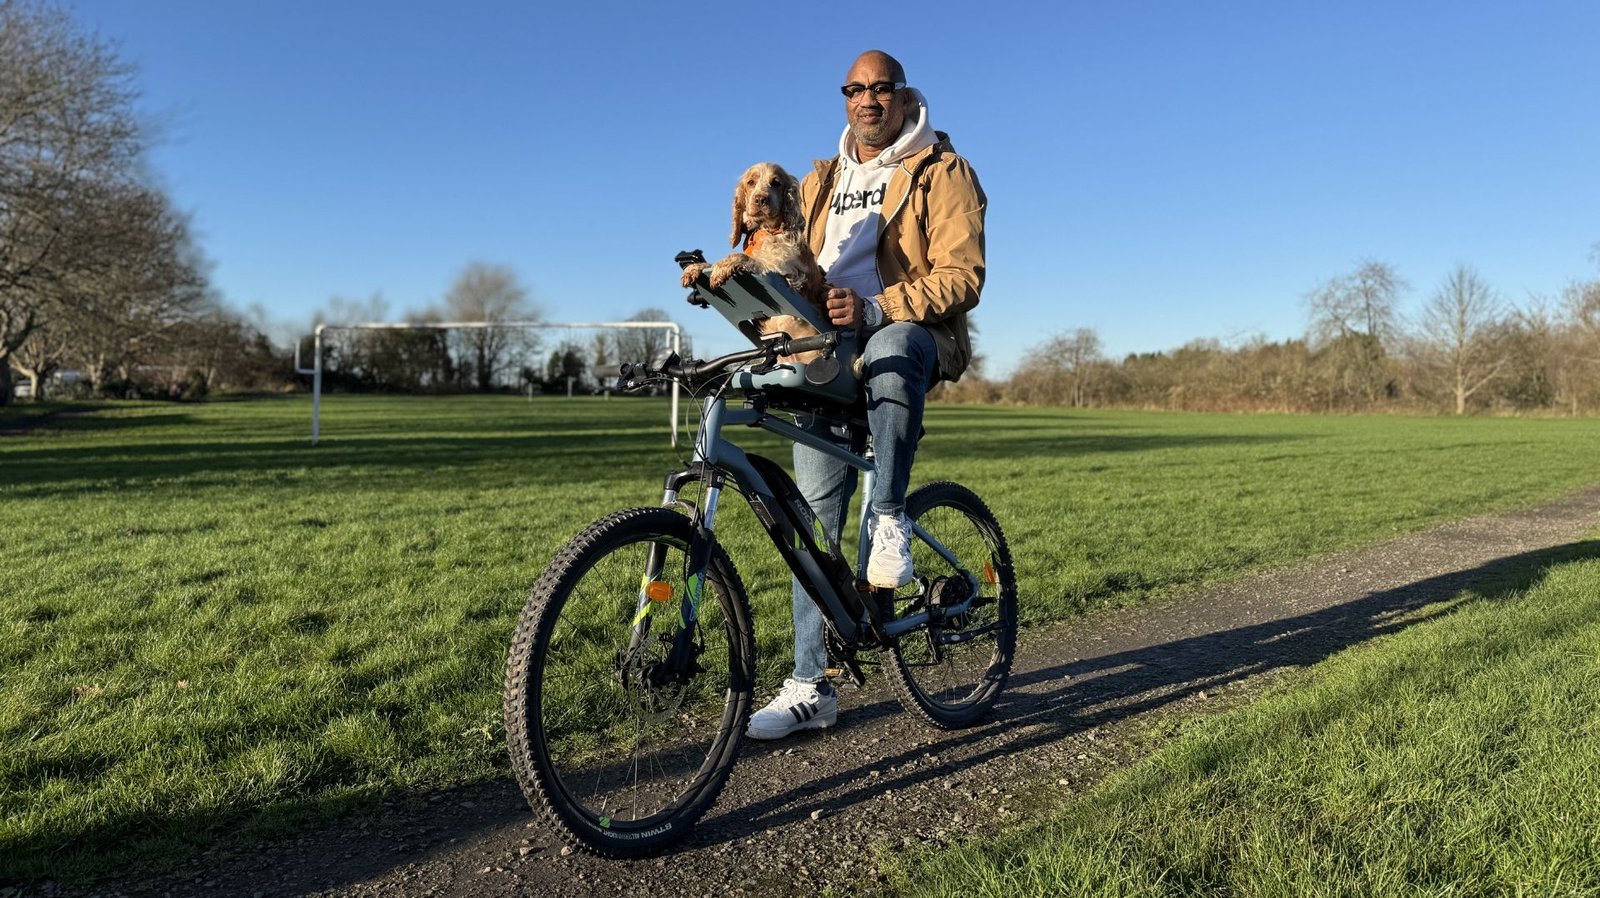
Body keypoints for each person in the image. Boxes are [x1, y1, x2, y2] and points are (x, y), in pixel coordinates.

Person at [746, 50, 987, 740]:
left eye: (881, 88)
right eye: (855, 90)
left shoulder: (943, 169)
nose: (868, 100)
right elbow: (790, 257)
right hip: (825, 347)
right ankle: (809, 685)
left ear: (904, 96)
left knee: (892, 342)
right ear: (844, 98)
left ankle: (889, 521)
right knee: (810, 524)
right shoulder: (820, 177)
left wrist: (879, 307)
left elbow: (963, 276)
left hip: (908, 335)